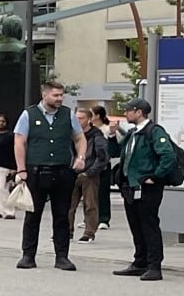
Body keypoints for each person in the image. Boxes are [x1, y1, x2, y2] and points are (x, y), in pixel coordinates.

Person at [14, 78, 86, 271]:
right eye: (55, 95)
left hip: (62, 171)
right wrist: (21, 170)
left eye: (61, 95)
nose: (59, 99)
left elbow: (80, 138)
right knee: (33, 214)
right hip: (36, 171)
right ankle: (28, 255)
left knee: (62, 215)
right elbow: (19, 142)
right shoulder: (29, 114)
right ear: (44, 95)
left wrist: (81, 157)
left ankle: (62, 257)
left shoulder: (68, 115)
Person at [116, 98, 180, 281]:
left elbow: (168, 156)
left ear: (139, 112)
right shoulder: (133, 133)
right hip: (131, 186)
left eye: (128, 110)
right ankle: (139, 262)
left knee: (149, 225)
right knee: (135, 225)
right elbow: (120, 152)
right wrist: (113, 137)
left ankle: (154, 266)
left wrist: (156, 176)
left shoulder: (154, 131)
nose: (125, 113)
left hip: (147, 187)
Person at [73, 107, 110, 242]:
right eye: (76, 118)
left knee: (90, 205)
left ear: (89, 120)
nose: (77, 120)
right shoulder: (72, 134)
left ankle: (89, 233)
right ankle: (67, 232)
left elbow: (102, 157)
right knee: (68, 205)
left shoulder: (97, 136)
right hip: (73, 173)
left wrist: (90, 172)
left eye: (81, 118)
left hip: (89, 174)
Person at [92, 105, 118, 230]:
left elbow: (113, 149)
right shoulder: (88, 129)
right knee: (90, 193)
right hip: (90, 164)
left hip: (103, 165)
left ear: (97, 116)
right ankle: (90, 218)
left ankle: (104, 218)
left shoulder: (106, 130)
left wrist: (112, 135)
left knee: (102, 192)